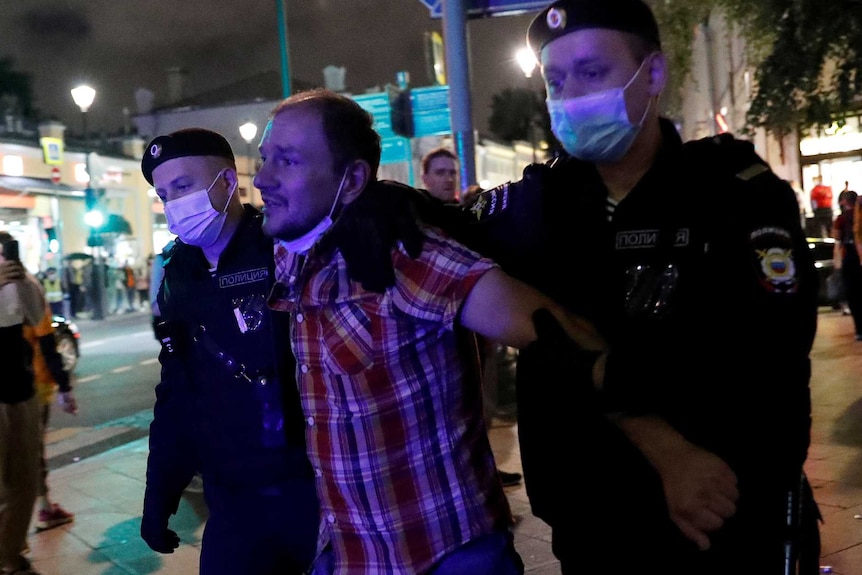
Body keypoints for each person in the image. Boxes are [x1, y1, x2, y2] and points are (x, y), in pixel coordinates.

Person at [436, 2, 820, 573]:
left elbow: (768, 354)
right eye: (556, 80)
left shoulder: (733, 192)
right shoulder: (534, 206)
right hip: (591, 525)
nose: (571, 96)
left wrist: (596, 369)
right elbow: (432, 237)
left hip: (722, 517)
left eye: (593, 73)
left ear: (655, 74)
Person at [254, 88, 603, 575]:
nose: (262, 178)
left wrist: (658, 445)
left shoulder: (406, 253)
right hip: (351, 552)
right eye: (263, 158)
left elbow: (557, 333)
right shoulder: (294, 249)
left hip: (444, 553)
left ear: (352, 178)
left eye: (286, 161)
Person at [139, 128, 319, 575]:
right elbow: (177, 391)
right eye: (163, 194)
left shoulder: (286, 248)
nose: (173, 203)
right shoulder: (178, 275)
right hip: (233, 498)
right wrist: (160, 491)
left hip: (313, 490)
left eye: (183, 186)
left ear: (226, 181)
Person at [421, 149, 523, 488]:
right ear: (425, 178)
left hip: (479, 328)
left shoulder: (468, 217)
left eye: (451, 171)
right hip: (444, 330)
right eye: (440, 172)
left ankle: (486, 467)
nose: (447, 177)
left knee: (484, 399)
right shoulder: (417, 219)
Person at [0, 231, 49, 575]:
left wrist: (23, 278)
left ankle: (10, 554)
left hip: (21, 388)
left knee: (26, 481)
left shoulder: (18, 280)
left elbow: (34, 316)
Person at [23, 303, 78, 531]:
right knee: (32, 452)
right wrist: (64, 387)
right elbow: (47, 342)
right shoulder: (26, 288)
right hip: (32, 386)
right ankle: (44, 508)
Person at [833, 189, 862, 339]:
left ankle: (859, 329)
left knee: (853, 293)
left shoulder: (841, 219)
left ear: (844, 202)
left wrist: (836, 260)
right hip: (858, 256)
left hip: (850, 257)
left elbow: (837, 238)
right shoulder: (859, 216)